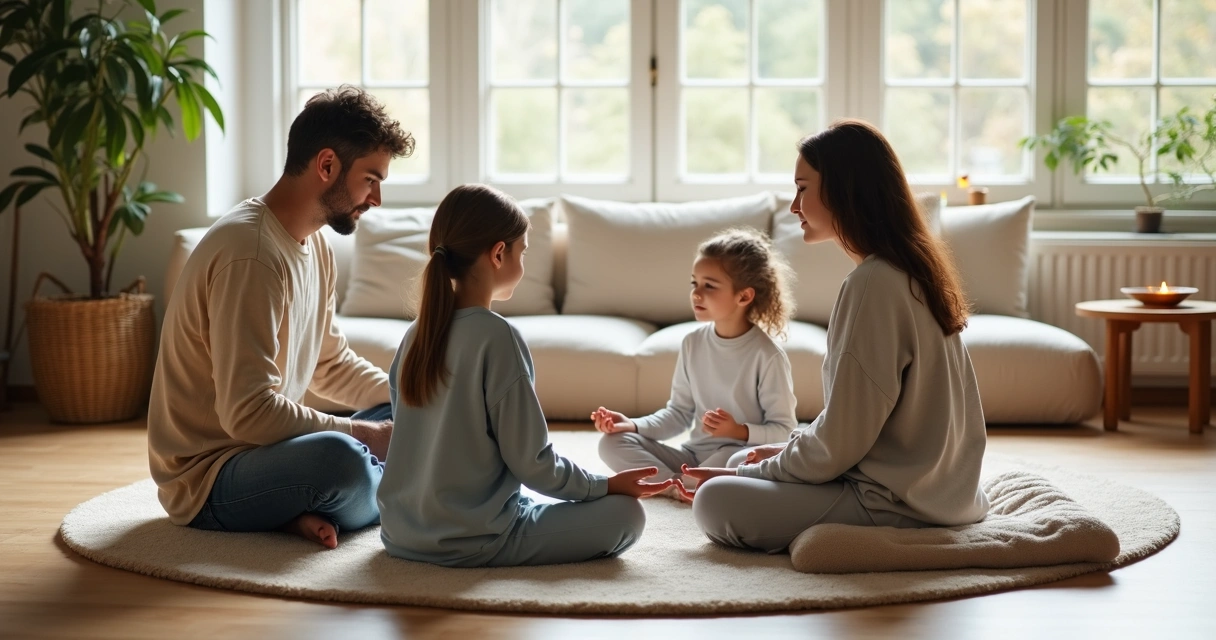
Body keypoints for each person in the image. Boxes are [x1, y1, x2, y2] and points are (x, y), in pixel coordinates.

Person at [680, 119, 990, 552]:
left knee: (716, 497)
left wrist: (747, 476)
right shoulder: (909, 269)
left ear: (845, 190)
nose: (793, 206)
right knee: (739, 457)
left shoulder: (872, 284)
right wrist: (780, 453)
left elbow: (841, 442)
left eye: (803, 188)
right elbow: (857, 420)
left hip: (898, 504)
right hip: (939, 493)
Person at [147, 86, 416, 549]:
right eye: (371, 179)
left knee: (413, 403)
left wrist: (413, 398)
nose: (376, 199)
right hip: (212, 475)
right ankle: (412, 486)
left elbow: (330, 363)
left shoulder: (317, 246)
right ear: (326, 165)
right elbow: (248, 413)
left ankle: (315, 502)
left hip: (268, 450)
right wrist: (367, 436)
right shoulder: (250, 254)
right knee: (342, 462)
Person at [377, 184, 673, 568]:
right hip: (474, 540)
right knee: (626, 516)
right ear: (499, 254)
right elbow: (533, 465)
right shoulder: (497, 337)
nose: (523, 262)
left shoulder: (415, 333)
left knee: (543, 500)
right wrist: (605, 485)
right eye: (523, 252)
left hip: (400, 534)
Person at [593, 227, 798, 502]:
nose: (697, 294)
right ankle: (679, 486)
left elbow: (784, 431)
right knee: (611, 444)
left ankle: (690, 484)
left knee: (732, 458)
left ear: (744, 296)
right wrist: (631, 425)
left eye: (709, 285)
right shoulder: (693, 343)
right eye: (695, 283)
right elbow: (678, 413)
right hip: (693, 455)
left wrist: (738, 431)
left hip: (736, 454)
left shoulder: (767, 355)